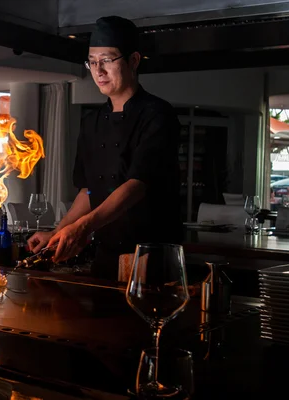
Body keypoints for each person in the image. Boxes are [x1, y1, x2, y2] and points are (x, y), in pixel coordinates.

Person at [27, 16, 182, 280]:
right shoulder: (92, 122)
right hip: (106, 256)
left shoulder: (158, 115)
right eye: (93, 62)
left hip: (150, 256)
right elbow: (89, 190)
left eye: (107, 60)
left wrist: (83, 227)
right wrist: (59, 231)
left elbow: (136, 185)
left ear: (133, 61)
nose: (98, 71)